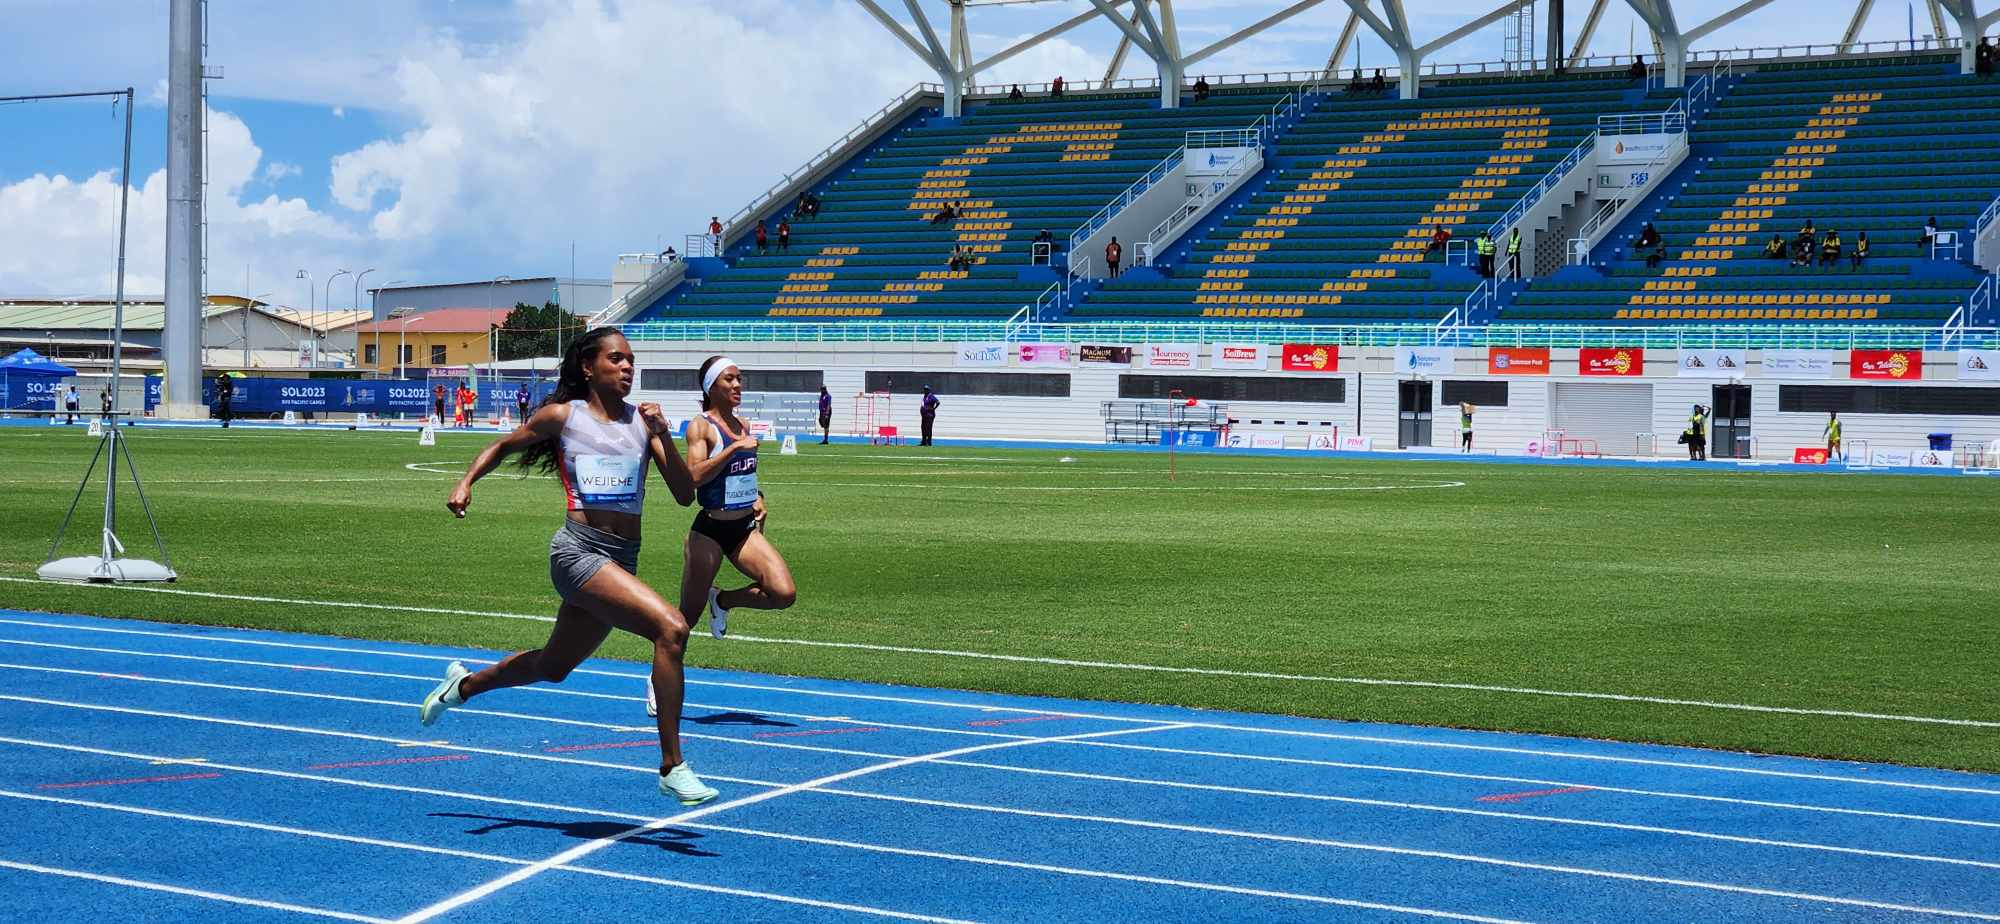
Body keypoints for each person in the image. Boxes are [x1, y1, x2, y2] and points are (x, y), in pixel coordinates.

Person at [423, 327, 718, 806]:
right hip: (578, 553)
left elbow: (685, 494)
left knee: (553, 665)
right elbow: (503, 445)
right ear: (588, 367)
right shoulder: (564, 416)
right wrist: (466, 481)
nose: (627, 367)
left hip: (620, 559)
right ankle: (672, 765)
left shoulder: (645, 423)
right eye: (617, 359)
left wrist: (663, 432)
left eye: (631, 361)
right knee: (672, 629)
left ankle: (463, 685)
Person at [678, 355, 795, 649]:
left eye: (739, 378)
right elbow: (692, 476)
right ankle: (659, 678)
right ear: (710, 387)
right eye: (729, 379)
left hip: (743, 530)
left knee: (783, 593)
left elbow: (743, 475)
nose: (737, 384)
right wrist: (732, 450)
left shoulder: (742, 424)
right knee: (684, 621)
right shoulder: (700, 426)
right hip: (710, 532)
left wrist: (758, 497)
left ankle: (723, 599)